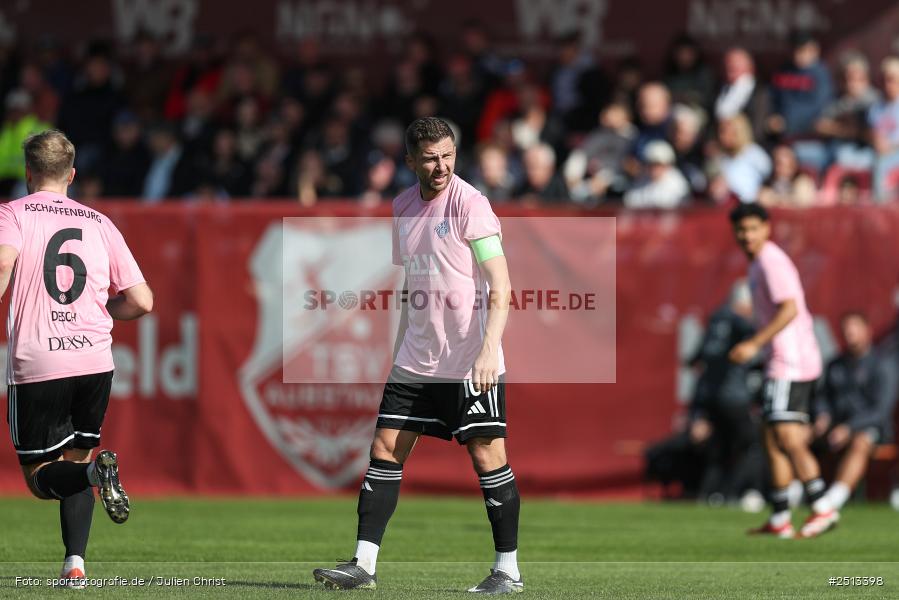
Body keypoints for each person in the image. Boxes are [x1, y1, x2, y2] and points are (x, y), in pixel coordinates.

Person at [312, 117, 520, 593]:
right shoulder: (403, 206)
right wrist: (399, 344)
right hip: (415, 361)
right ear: (410, 162)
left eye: (447, 155)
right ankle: (363, 566)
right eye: (430, 157)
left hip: (469, 359)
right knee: (384, 450)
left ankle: (508, 570)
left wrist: (490, 349)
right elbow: (412, 285)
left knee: (488, 457)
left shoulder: (472, 204)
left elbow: (501, 284)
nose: (441, 165)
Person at [0, 130, 153, 586]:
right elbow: (142, 300)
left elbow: (4, 264)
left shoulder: (12, 214)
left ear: (28, 173)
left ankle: (91, 474)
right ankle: (75, 565)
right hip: (94, 360)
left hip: (39, 361)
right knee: (79, 456)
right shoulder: (101, 222)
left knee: (40, 476)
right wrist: (100, 311)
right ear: (72, 174)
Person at [728, 203, 835, 538]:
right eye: (741, 230)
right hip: (781, 360)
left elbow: (790, 309)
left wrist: (754, 344)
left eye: (753, 228)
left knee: (788, 437)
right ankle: (780, 520)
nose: (747, 235)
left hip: (791, 361)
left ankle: (822, 507)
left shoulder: (771, 262)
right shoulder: (758, 263)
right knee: (771, 439)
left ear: (767, 228)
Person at [814, 312, 898, 510]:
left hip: (872, 429)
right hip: (836, 427)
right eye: (846, 329)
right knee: (796, 435)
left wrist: (849, 428)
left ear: (867, 331)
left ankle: (835, 497)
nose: (850, 333)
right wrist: (822, 416)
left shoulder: (882, 365)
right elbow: (823, 397)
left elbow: (881, 411)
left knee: (861, 441)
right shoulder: (835, 364)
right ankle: (795, 491)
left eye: (855, 328)